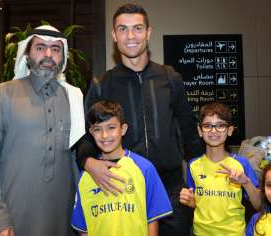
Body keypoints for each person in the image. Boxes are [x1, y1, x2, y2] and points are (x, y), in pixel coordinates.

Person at [76, 3, 204, 235]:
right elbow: (85, 138)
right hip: (122, 188)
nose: (131, 36)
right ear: (114, 35)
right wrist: (89, 163)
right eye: (123, 29)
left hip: (171, 190)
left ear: (148, 32)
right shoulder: (101, 84)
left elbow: (190, 136)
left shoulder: (170, 78)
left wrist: (197, 186)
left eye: (137, 28)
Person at [0, 25, 85, 236]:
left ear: (63, 57)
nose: (48, 55)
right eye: (40, 47)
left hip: (63, 218)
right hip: (15, 215)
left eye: (55, 49)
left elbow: (76, 159)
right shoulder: (3, 94)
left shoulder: (72, 98)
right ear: (27, 53)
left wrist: (82, 218)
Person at [71, 100, 173, 236]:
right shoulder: (86, 176)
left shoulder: (144, 168)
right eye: (97, 129)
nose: (105, 135)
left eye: (111, 128)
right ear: (91, 132)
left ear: (123, 129)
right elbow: (83, 228)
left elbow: (152, 218)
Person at [179, 102, 261, 235]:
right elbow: (196, 203)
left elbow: (259, 205)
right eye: (207, 126)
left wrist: (245, 182)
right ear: (200, 131)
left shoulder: (241, 163)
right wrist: (189, 201)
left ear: (229, 130)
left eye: (220, 125)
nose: (213, 131)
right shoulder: (193, 165)